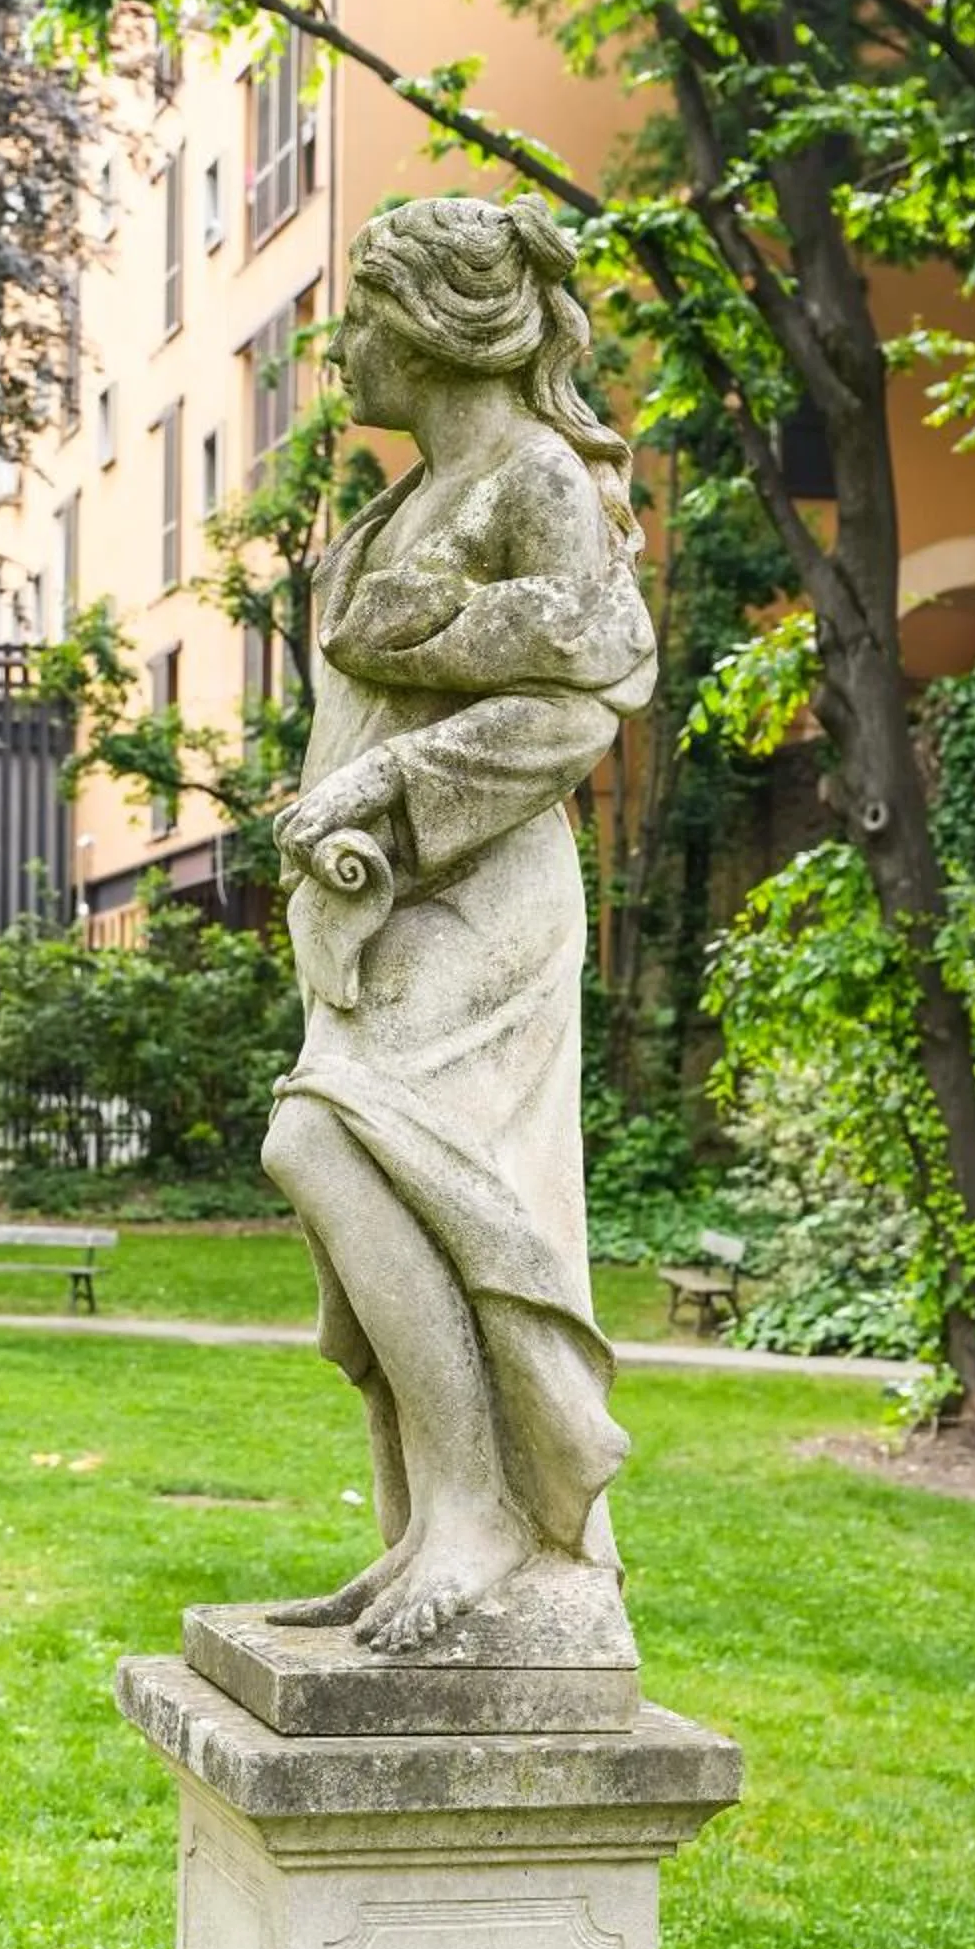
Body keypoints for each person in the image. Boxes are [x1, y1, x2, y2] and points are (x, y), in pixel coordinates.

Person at [262, 194, 657, 1656]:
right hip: (380, 899)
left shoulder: (536, 478)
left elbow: (571, 711)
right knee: (373, 1197)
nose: (339, 347)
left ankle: (496, 1512)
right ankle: (425, 1525)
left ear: (433, 326)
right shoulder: (402, 502)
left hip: (478, 893)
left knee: (336, 1148)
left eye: (361, 316)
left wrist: (381, 795)